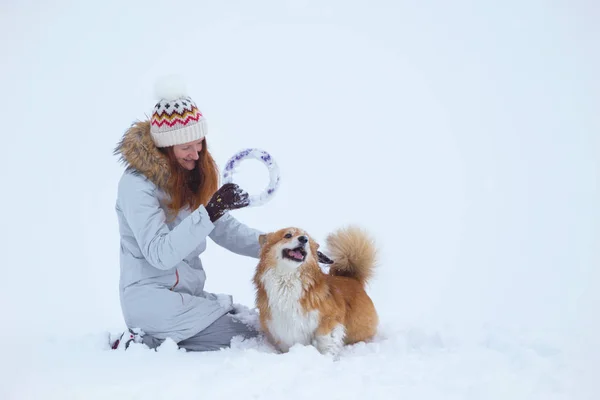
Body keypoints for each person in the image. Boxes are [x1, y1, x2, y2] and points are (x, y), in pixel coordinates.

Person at [110, 81, 263, 351]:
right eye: (185, 147)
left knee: (258, 323)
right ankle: (144, 340)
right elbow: (160, 254)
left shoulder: (187, 177)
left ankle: (149, 340)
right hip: (153, 303)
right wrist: (210, 210)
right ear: (166, 148)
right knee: (257, 339)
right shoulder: (136, 186)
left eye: (199, 143)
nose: (196, 153)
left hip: (186, 298)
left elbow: (225, 230)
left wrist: (279, 246)